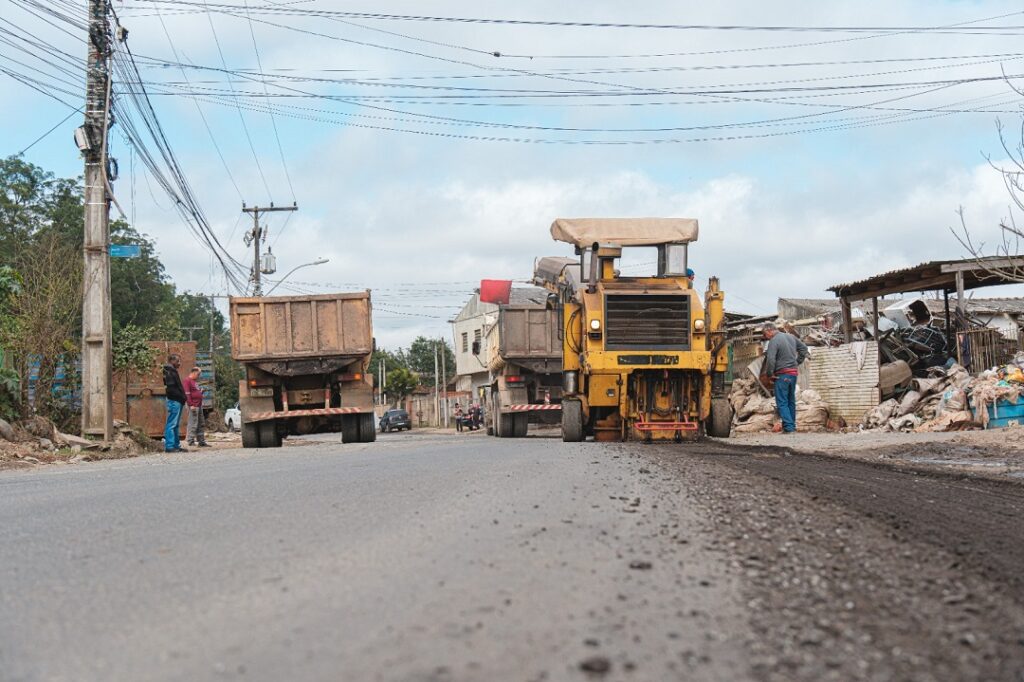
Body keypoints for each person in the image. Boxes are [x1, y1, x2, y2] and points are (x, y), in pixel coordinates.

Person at [760, 323, 808, 434]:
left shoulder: (773, 341)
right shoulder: (791, 337)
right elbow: (804, 349)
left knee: (782, 401)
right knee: (791, 400)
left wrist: (769, 374)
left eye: (765, 334)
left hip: (782, 375)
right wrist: (797, 362)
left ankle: (789, 428)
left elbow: (771, 359)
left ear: (769, 330)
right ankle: (791, 426)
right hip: (793, 374)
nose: (765, 336)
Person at [162, 354, 187, 452]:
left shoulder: (172, 371)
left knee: (175, 424)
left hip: (177, 400)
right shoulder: (168, 371)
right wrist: (181, 396)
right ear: (172, 361)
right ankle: (170, 446)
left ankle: (176, 445)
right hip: (174, 400)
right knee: (172, 424)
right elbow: (171, 389)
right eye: (178, 361)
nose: (179, 363)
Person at [183, 366, 209, 448]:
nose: (199, 376)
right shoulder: (187, 381)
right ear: (194, 372)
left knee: (201, 423)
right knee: (193, 423)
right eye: (198, 374)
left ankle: (201, 441)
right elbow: (187, 394)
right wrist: (191, 405)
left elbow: (195, 392)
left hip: (199, 405)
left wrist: (201, 392)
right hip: (193, 405)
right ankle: (190, 440)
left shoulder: (194, 381)